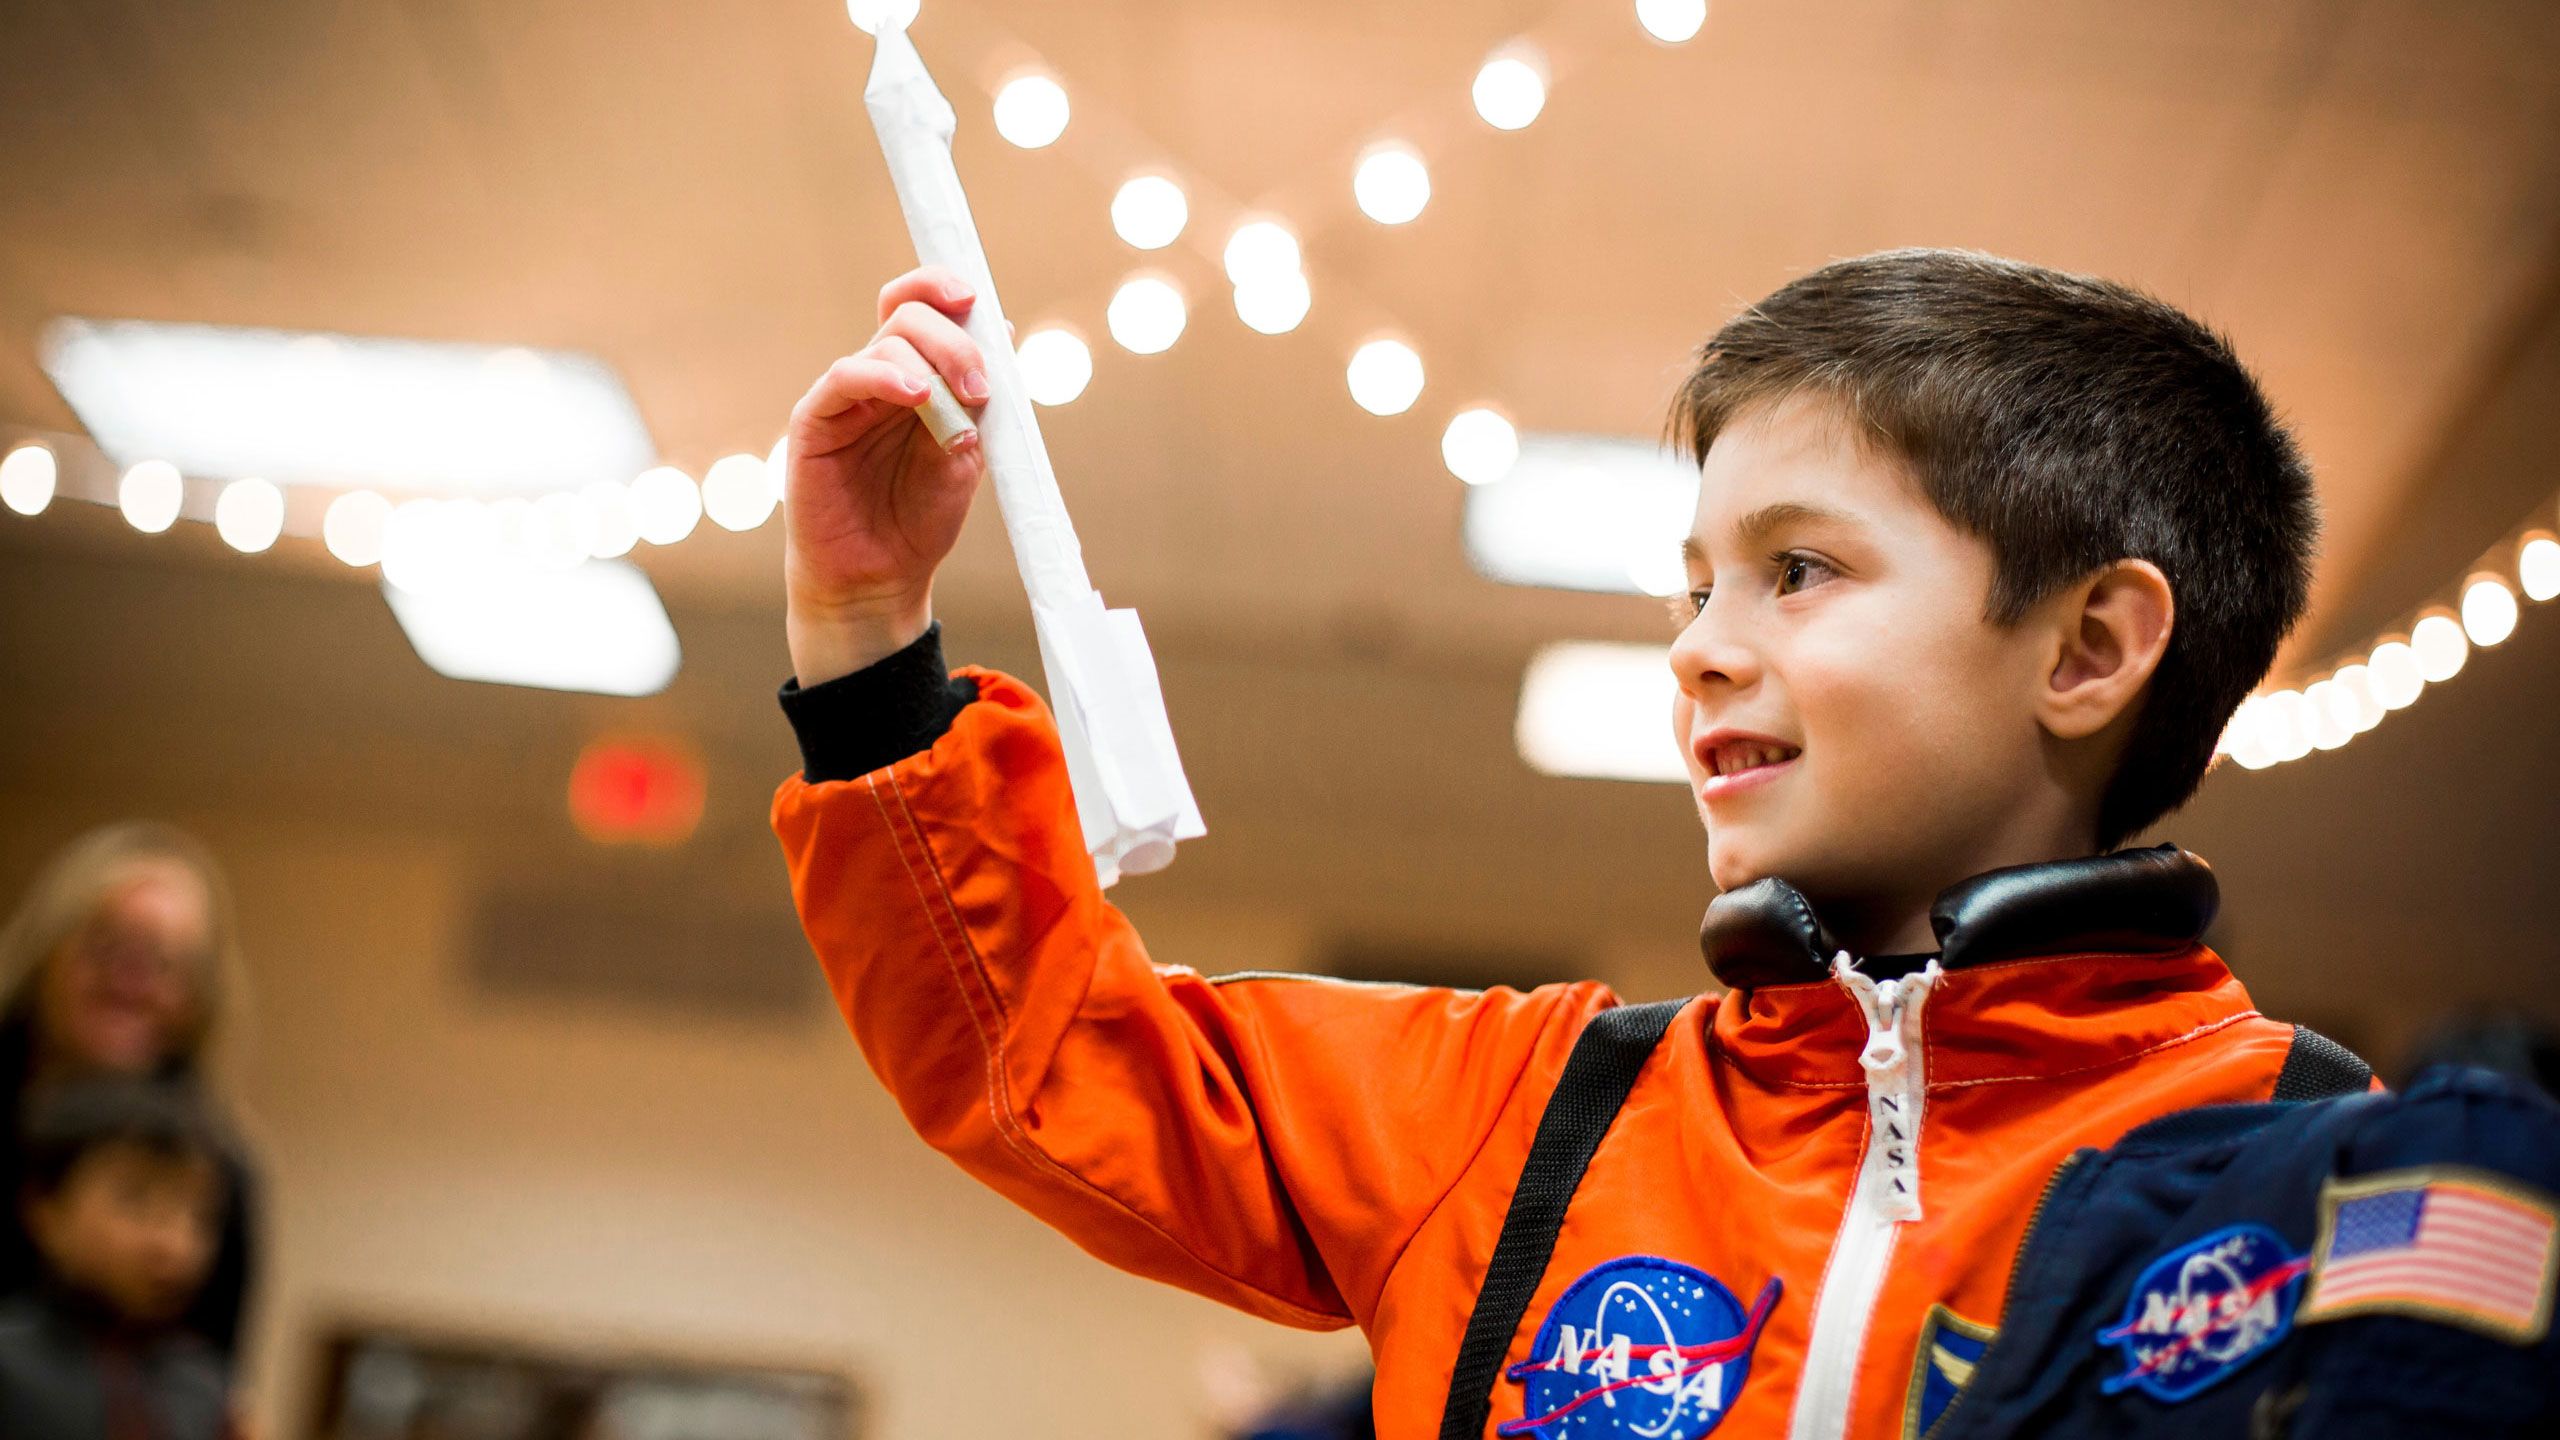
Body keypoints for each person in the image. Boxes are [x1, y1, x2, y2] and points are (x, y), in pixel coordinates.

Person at [766, 251, 2560, 1437]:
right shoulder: (1518, 1115)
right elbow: (1049, 1060)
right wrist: (861, 626)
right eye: (1692, 584)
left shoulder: (2330, 1186)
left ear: (2088, 649)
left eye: (1798, 568)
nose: (1701, 640)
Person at [0, 823, 260, 1363]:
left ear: (199, 995)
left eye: (167, 960)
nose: (132, 978)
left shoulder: (220, 1167)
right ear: (48, 952)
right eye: (107, 944)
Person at [0, 1078, 235, 1440]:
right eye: (135, 1200)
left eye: (199, 1215)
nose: (173, 1243)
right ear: (45, 1209)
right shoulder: (10, 1364)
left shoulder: (203, 1385)